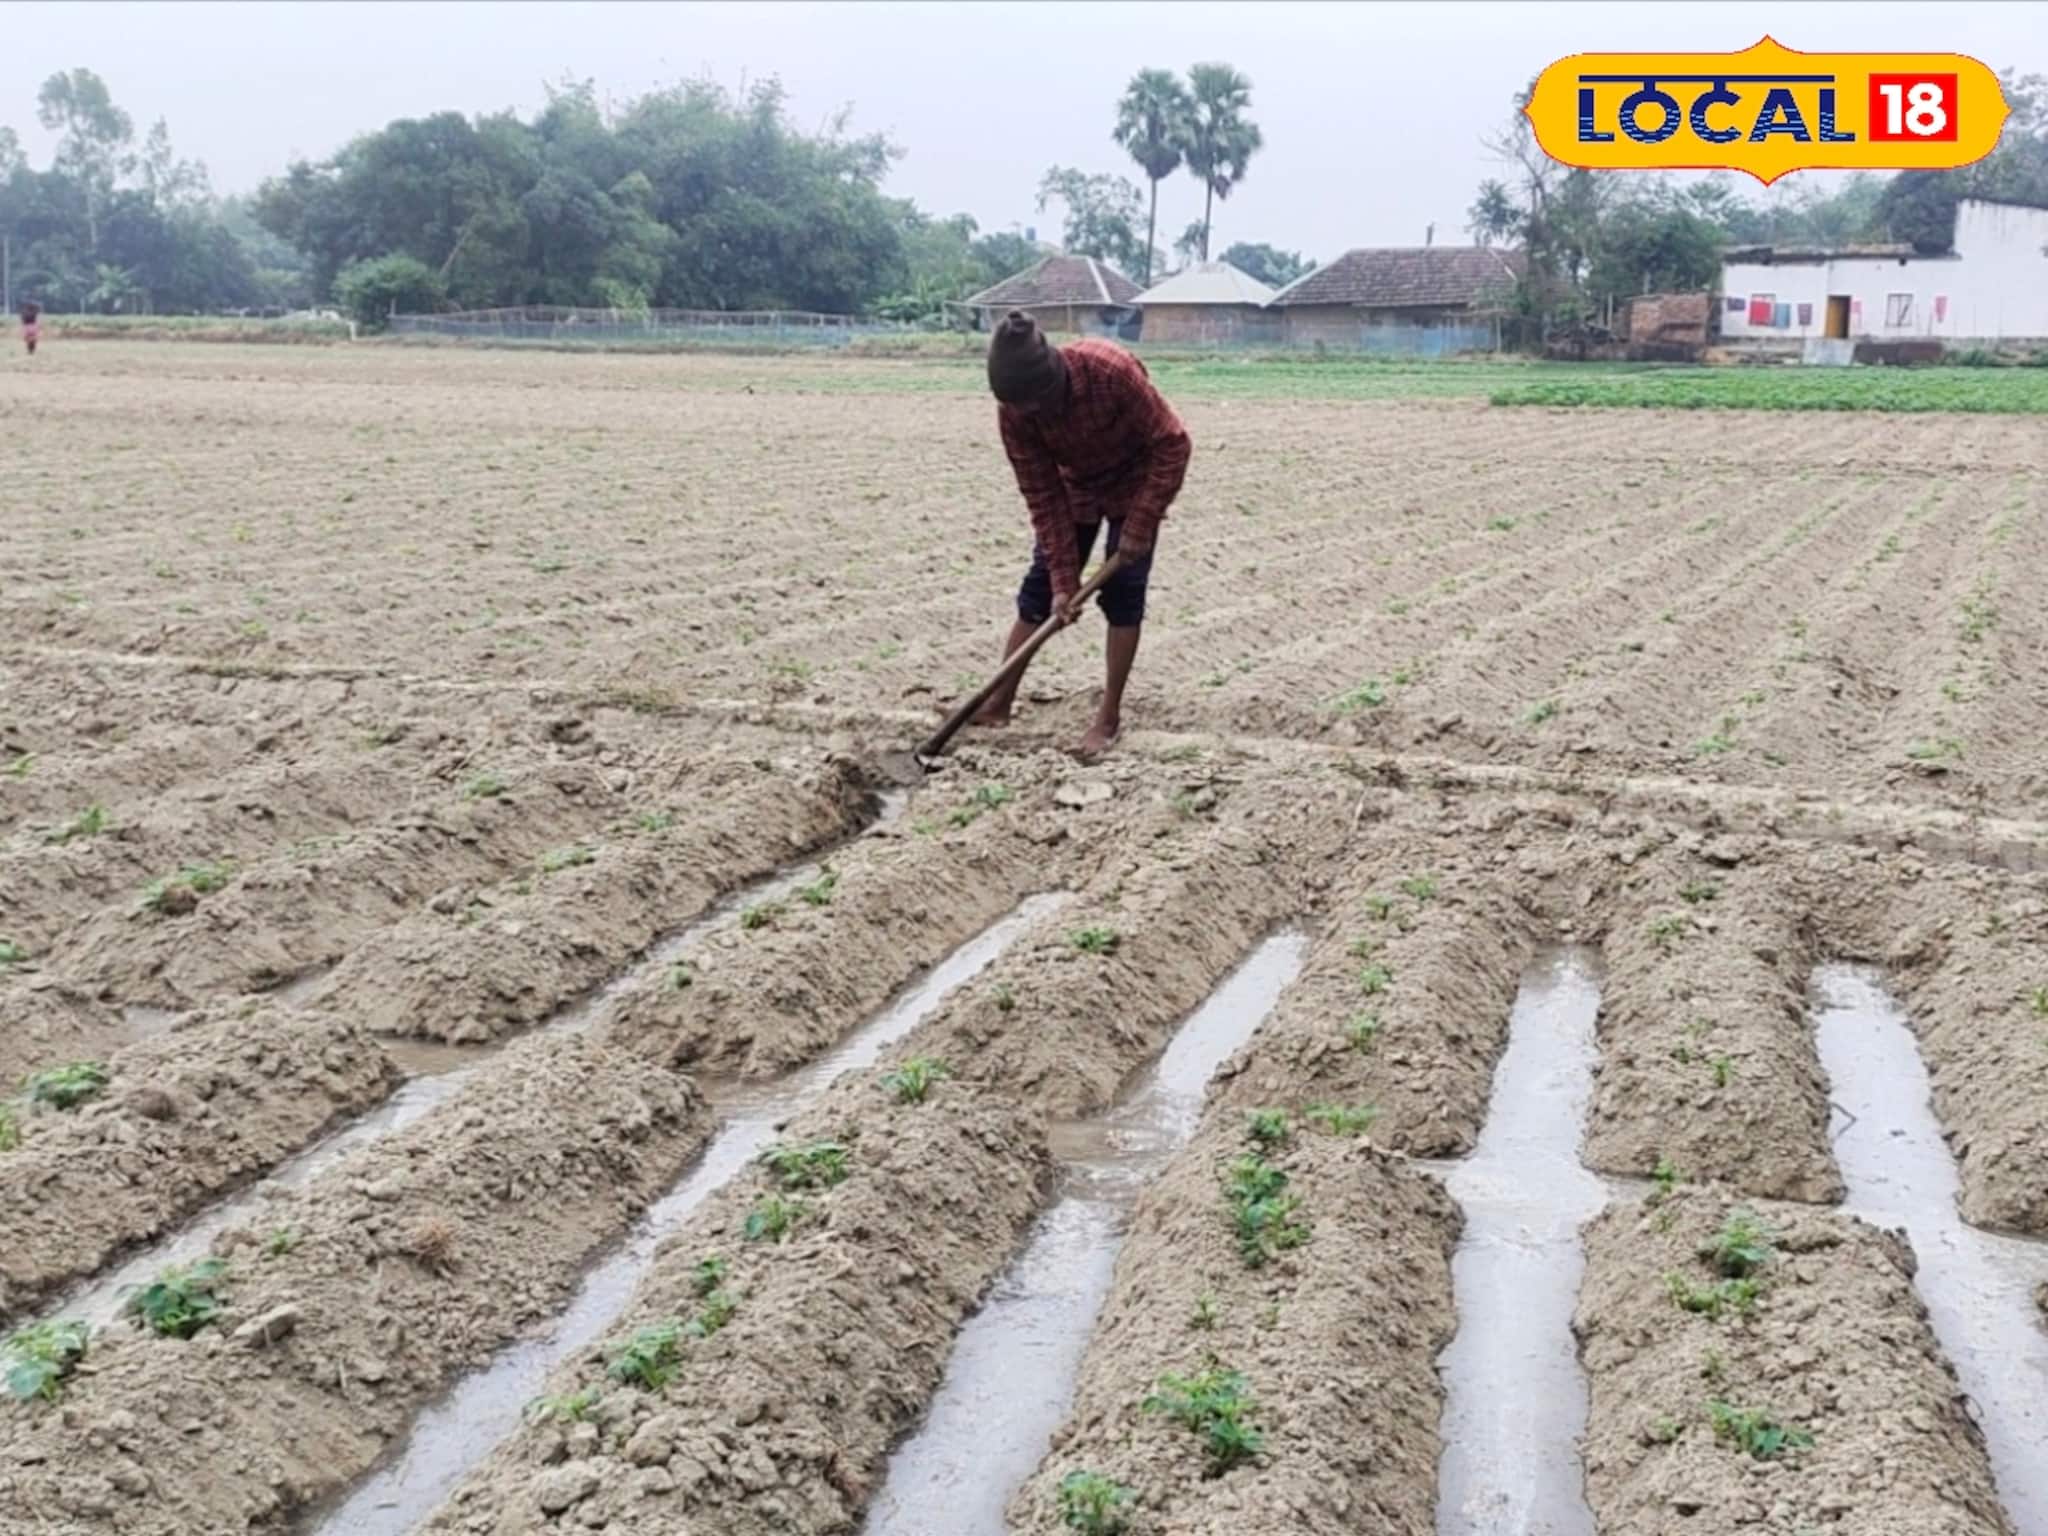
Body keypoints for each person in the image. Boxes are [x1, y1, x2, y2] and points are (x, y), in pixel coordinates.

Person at [976, 309, 1191, 756]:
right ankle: (998, 703)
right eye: (1018, 407)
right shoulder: (1014, 413)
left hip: (1137, 481)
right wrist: (1063, 581)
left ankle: (1107, 719)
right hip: (1077, 487)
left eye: (1033, 405)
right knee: (1039, 591)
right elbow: (1042, 493)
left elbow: (1173, 443)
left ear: (1052, 383)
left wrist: (1140, 523)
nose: (1027, 414)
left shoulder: (1110, 371)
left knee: (1124, 594)